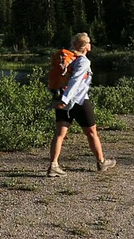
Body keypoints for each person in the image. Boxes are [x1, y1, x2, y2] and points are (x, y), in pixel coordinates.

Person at [47, 32, 116, 177]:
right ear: (86, 47)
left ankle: (53, 165)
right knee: (92, 133)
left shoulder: (67, 58)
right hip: (79, 101)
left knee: (59, 134)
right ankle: (101, 162)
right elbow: (75, 81)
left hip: (61, 100)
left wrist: (62, 100)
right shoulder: (83, 61)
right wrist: (67, 99)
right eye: (89, 43)